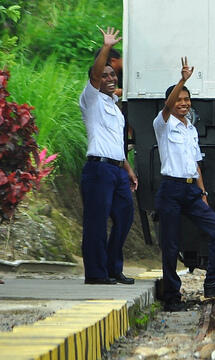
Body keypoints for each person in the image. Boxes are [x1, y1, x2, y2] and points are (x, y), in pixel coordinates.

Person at [153, 57, 215, 311]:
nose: (183, 103)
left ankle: (212, 283)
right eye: (179, 99)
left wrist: (201, 191)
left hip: (191, 190)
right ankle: (172, 296)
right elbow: (168, 106)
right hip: (171, 189)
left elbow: (197, 163)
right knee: (170, 244)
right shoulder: (163, 124)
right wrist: (182, 80)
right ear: (170, 103)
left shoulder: (190, 129)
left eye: (187, 99)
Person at [79, 27, 138, 285]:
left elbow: (116, 143)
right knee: (96, 222)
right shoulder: (90, 99)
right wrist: (106, 47)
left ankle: (114, 267)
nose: (110, 78)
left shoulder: (114, 106)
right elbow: (95, 72)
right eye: (105, 75)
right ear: (95, 80)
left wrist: (128, 168)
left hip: (116, 169)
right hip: (98, 170)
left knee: (125, 216)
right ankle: (96, 273)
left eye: (113, 74)